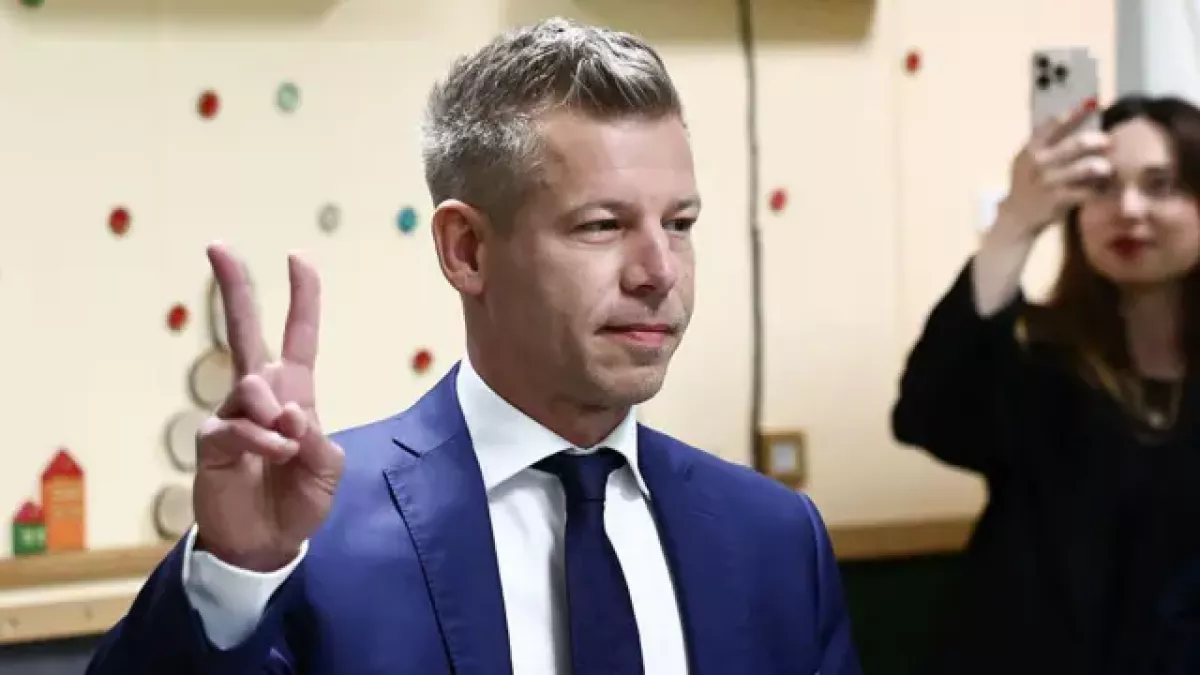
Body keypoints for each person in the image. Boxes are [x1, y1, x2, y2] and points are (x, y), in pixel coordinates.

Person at [85, 17, 860, 675]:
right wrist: (234, 574)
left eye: (679, 224)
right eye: (603, 225)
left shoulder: (776, 539)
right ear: (467, 250)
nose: (659, 270)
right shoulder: (311, 537)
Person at [892, 93, 1200, 675]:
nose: (1128, 208)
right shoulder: (1039, 359)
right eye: (1102, 187)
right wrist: (1015, 223)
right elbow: (927, 417)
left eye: (1161, 185)